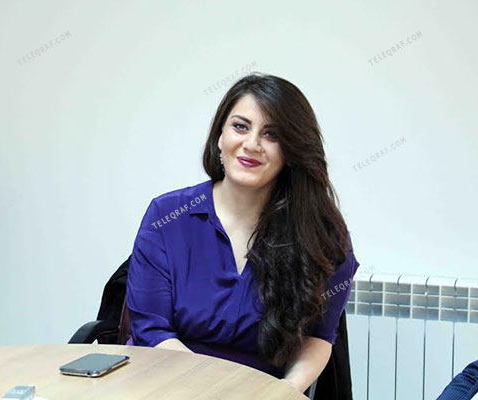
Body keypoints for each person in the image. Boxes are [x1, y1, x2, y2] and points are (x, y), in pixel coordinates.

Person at [125, 72, 360, 394]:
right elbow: (152, 331)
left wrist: (285, 390)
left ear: (292, 150)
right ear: (219, 135)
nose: (252, 144)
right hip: (168, 383)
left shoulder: (321, 235)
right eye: (240, 126)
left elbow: (318, 338)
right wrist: (218, 390)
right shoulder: (167, 215)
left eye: (271, 134)